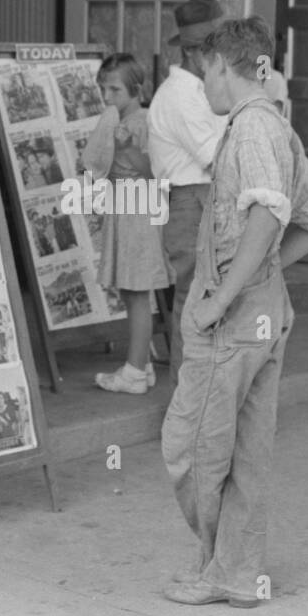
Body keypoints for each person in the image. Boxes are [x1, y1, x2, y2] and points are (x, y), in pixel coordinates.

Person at [161, 17, 308, 607]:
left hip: (236, 320)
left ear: (220, 65)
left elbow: (267, 214)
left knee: (188, 448)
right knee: (245, 450)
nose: (203, 85)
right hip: (264, 309)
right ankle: (237, 573)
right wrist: (264, 274)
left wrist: (223, 294)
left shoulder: (249, 131)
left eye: (204, 72)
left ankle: (221, 567)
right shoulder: (276, 129)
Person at [148, 0, 229, 384]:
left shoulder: (202, 89)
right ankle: (188, 399)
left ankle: (204, 393)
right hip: (190, 200)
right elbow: (218, 159)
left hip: (204, 198)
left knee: (212, 298)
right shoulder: (180, 96)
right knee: (195, 299)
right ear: (197, 53)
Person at [88, 54, 172, 394]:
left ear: (136, 89)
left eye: (115, 90)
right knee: (129, 290)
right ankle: (143, 363)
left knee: (137, 293)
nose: (107, 97)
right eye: (102, 89)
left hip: (138, 210)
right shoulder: (119, 119)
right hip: (125, 207)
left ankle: (135, 371)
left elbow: (153, 169)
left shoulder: (141, 121)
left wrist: (125, 147)